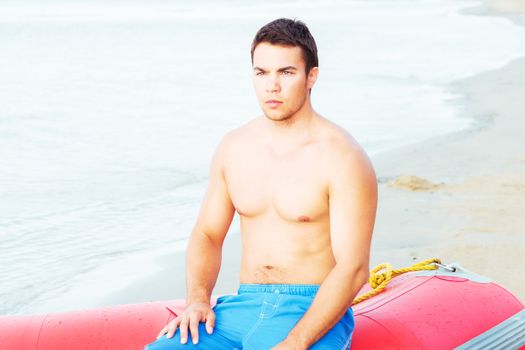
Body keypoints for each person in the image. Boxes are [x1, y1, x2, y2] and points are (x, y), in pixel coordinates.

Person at [145, 18, 377, 350]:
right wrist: (198, 299)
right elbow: (207, 234)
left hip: (310, 309)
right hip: (241, 307)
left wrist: (295, 343)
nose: (272, 86)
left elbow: (353, 267)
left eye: (286, 72)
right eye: (261, 73)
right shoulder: (234, 147)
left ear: (312, 76)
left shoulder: (342, 157)